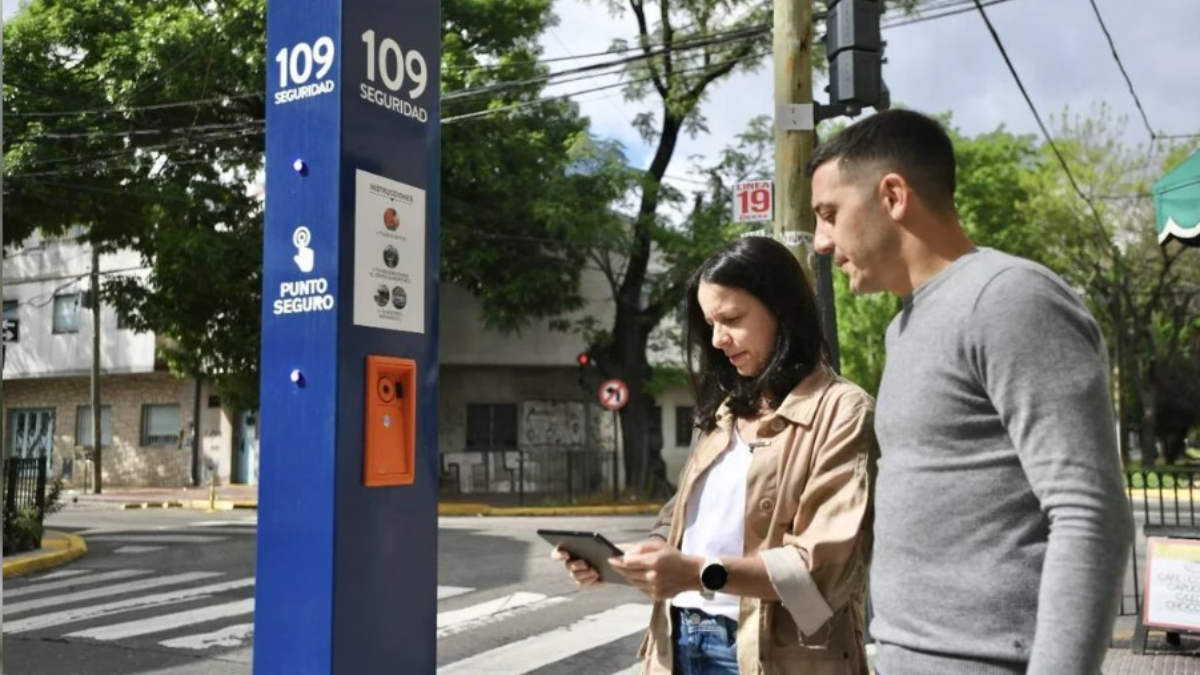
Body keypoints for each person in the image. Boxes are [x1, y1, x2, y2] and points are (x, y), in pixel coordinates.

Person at [807, 109, 1135, 675]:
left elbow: (1090, 512)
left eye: (830, 215)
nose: (820, 242)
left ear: (892, 195)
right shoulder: (904, 325)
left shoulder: (1009, 298)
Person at [554, 235, 879, 675]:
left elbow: (821, 568)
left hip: (775, 654)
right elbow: (682, 518)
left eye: (732, 318)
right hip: (678, 639)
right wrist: (637, 558)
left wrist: (695, 572)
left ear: (782, 309)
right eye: (709, 323)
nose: (718, 339)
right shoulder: (723, 411)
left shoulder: (842, 409)